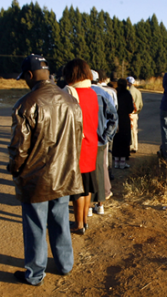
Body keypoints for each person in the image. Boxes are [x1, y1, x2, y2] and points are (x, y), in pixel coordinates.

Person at [7, 54, 83, 286]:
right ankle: (65, 265)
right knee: (60, 221)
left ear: (30, 75)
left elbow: (19, 149)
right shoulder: (71, 101)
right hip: (64, 175)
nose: (25, 82)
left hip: (35, 178)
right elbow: (77, 138)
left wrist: (15, 170)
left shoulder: (26, 104)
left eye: (25, 78)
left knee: (35, 227)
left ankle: (35, 274)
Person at [62, 59, 99, 234]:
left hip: (77, 148)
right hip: (91, 145)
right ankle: (84, 221)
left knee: (77, 189)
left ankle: (78, 224)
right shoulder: (92, 93)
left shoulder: (70, 94)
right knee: (87, 187)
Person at [89, 70, 118, 216]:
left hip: (85, 140)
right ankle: (100, 204)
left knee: (86, 173)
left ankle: (87, 206)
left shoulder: (79, 93)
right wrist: (107, 136)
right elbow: (114, 116)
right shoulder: (105, 93)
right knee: (101, 170)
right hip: (101, 139)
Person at [112, 78, 135, 169]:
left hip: (115, 119)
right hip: (124, 120)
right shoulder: (127, 94)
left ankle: (116, 162)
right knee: (124, 140)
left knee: (116, 140)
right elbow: (130, 109)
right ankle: (122, 162)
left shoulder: (115, 93)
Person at [127, 76, 143, 153]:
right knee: (134, 130)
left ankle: (131, 145)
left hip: (129, 113)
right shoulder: (138, 92)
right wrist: (137, 112)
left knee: (130, 130)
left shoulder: (129, 92)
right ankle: (135, 146)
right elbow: (141, 105)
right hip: (135, 113)